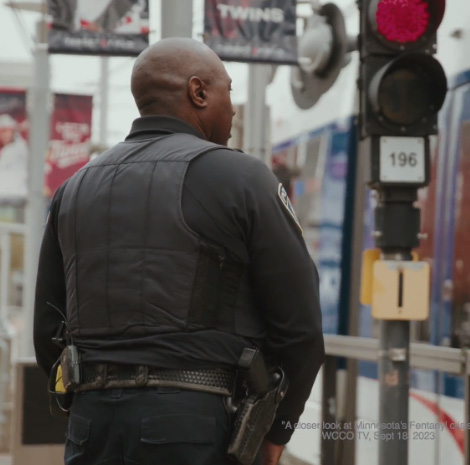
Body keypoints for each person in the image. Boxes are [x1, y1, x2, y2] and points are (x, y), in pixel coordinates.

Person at [34, 38, 324, 465]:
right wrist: (276, 429)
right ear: (198, 92)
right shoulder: (242, 179)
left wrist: (93, 402)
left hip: (92, 427)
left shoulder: (73, 190)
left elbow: (47, 330)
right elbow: (300, 328)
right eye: (228, 89)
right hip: (198, 426)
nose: (234, 107)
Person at [0, 114, 28, 198]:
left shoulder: (20, 147)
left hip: (16, 197)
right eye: (4, 131)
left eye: (10, 131)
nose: (7, 134)